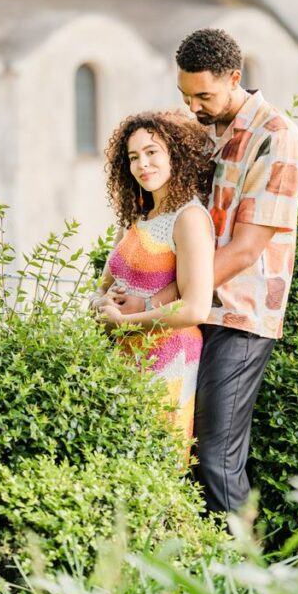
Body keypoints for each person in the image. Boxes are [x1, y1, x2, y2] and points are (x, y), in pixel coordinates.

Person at [107, 29, 298, 514]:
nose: (193, 106)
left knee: (216, 458)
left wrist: (154, 303)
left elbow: (245, 249)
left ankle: (247, 582)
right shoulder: (200, 127)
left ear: (234, 79)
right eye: (185, 95)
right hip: (187, 317)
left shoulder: (275, 138)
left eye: (204, 95)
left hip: (238, 316)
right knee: (176, 449)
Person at [90, 110, 215, 449]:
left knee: (156, 458)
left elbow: (195, 308)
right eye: (133, 157)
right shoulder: (135, 215)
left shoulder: (189, 218)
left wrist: (126, 322)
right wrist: (99, 303)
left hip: (169, 355)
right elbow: (102, 284)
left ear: (175, 153)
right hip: (123, 354)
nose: (142, 164)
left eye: (151, 152)